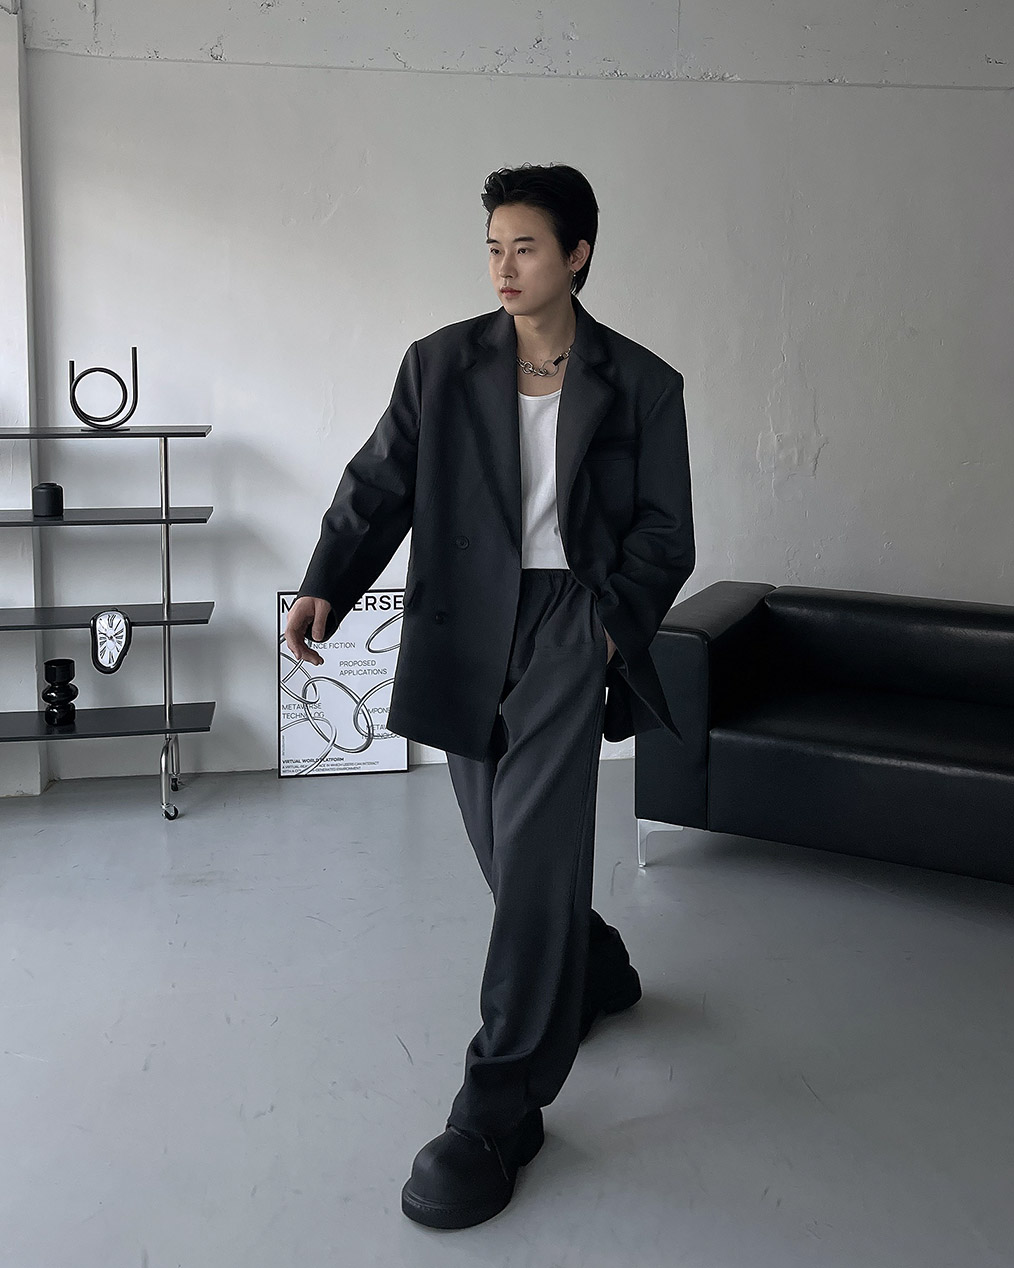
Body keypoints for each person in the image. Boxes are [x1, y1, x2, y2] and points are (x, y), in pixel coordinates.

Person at [285, 163, 695, 1229]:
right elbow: (379, 481)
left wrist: (608, 624)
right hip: (461, 618)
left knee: (536, 840)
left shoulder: (643, 383)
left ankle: (501, 1099)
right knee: (504, 847)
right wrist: (329, 579)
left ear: (578, 255)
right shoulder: (440, 363)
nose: (504, 267)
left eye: (526, 247)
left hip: (569, 621)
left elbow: (666, 530)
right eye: (493, 247)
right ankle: (588, 960)